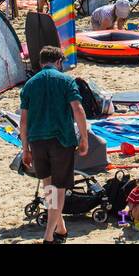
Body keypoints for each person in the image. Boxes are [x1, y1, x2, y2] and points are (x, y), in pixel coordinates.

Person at [20, 45, 89, 243]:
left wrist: (25, 149)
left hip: (37, 140)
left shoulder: (30, 84)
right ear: (59, 62)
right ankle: (49, 236)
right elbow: (78, 110)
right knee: (58, 189)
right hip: (61, 139)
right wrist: (83, 138)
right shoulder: (66, 81)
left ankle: (61, 228)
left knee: (49, 187)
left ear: (41, 62)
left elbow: (23, 121)